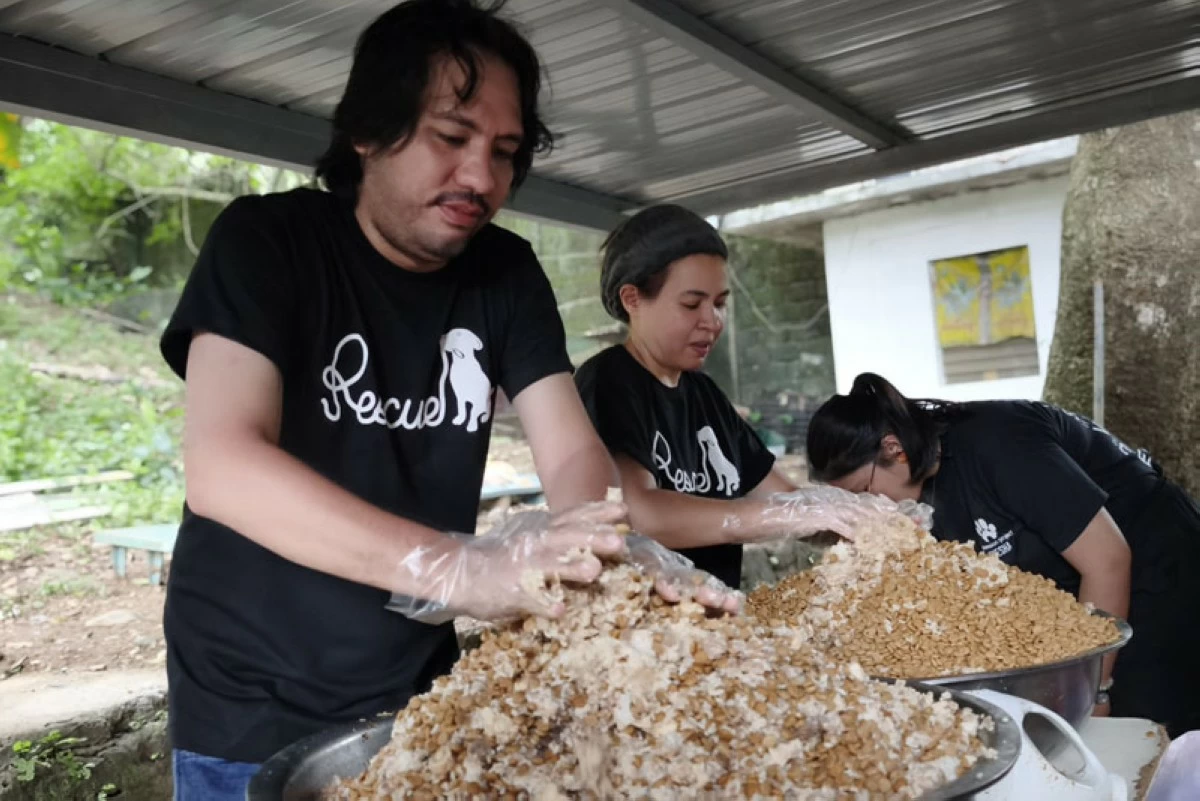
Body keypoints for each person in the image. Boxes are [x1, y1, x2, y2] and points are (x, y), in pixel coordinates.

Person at [158, 4, 734, 799]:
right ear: (367, 131)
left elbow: (569, 449)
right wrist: (458, 564)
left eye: (502, 152)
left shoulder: (504, 272)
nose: (480, 178)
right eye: (451, 138)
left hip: (421, 693)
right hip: (250, 705)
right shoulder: (267, 243)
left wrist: (606, 547)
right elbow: (222, 464)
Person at [806, 372, 1200, 736]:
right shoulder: (921, 489)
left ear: (894, 449)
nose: (867, 506)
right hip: (1082, 585)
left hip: (1157, 559)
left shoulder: (999, 445)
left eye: (863, 491)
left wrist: (1094, 691)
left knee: (1143, 725)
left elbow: (1108, 561)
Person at [574, 205, 905, 590]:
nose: (712, 321)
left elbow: (787, 502)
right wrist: (767, 519)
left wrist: (865, 525)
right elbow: (638, 513)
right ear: (632, 299)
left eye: (719, 302)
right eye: (691, 304)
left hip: (714, 621)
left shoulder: (705, 396)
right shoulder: (609, 380)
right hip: (647, 630)